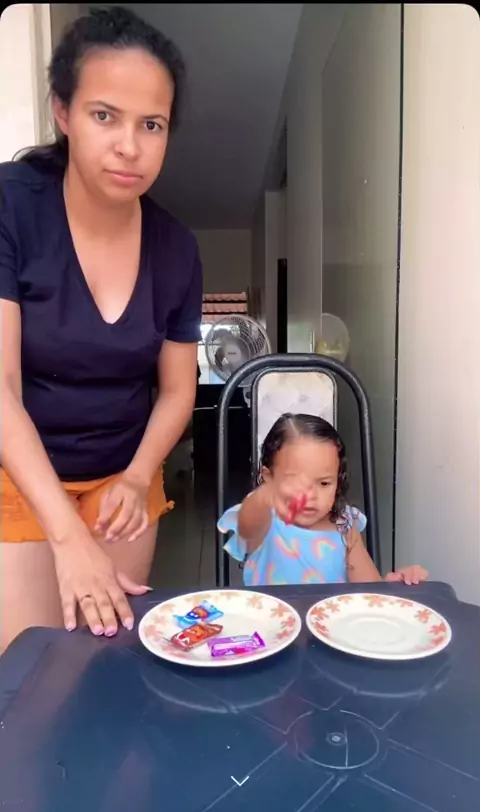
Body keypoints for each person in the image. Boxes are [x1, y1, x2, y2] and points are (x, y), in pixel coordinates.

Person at [0, 6, 202, 652]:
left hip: (123, 477)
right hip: (20, 474)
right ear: (63, 112)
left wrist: (139, 477)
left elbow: (178, 389)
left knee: (104, 660)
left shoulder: (177, 248)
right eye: (105, 115)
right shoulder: (12, 205)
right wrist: (68, 538)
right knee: (30, 672)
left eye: (152, 125)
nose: (129, 146)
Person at [218, 413, 428, 586]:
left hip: (330, 623)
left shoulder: (345, 525)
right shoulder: (265, 517)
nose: (310, 495)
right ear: (268, 478)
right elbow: (248, 526)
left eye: (324, 483)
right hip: (274, 622)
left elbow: (369, 589)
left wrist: (393, 585)